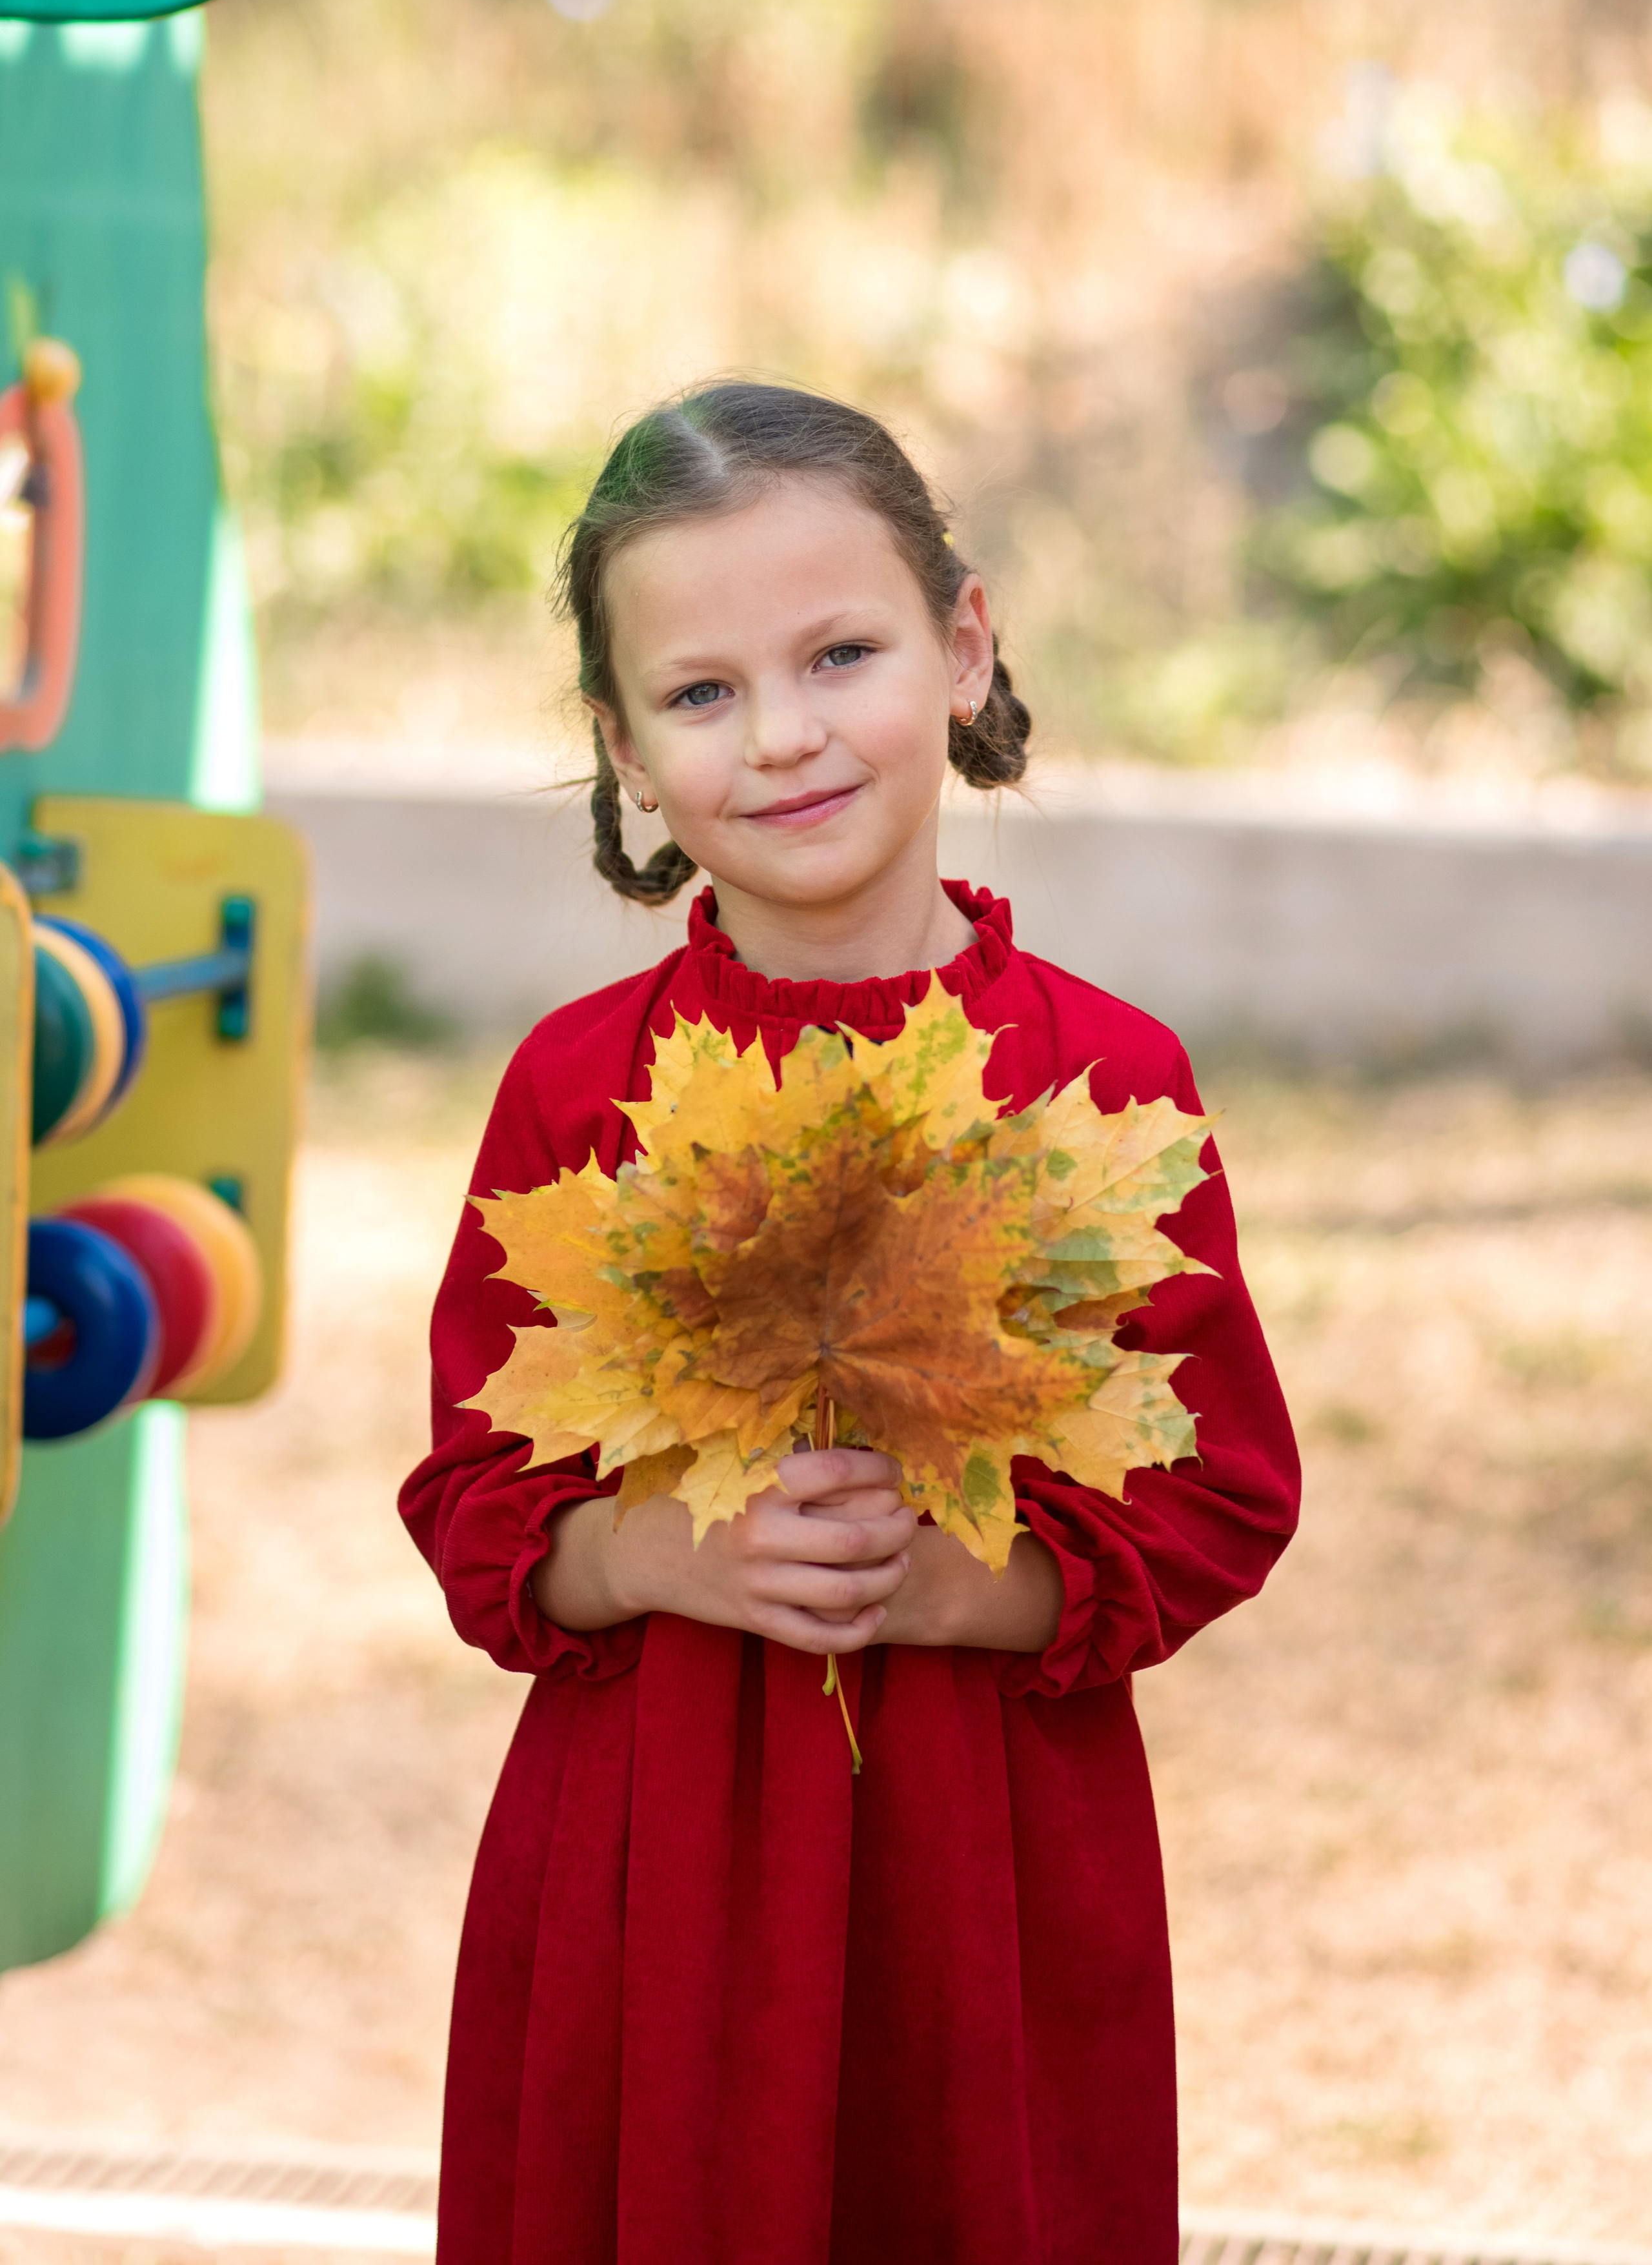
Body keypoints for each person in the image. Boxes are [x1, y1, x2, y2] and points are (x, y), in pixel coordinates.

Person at [400, 381, 1299, 2265]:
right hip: (659, 1875)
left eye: (842, 653)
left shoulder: (1102, 1091)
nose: (787, 735)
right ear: (625, 749)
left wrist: (983, 1592)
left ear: (965, 648)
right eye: (703, 691)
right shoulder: (587, 1094)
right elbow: (480, 1500)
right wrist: (651, 1554)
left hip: (979, 1877)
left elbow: (1223, 1485)